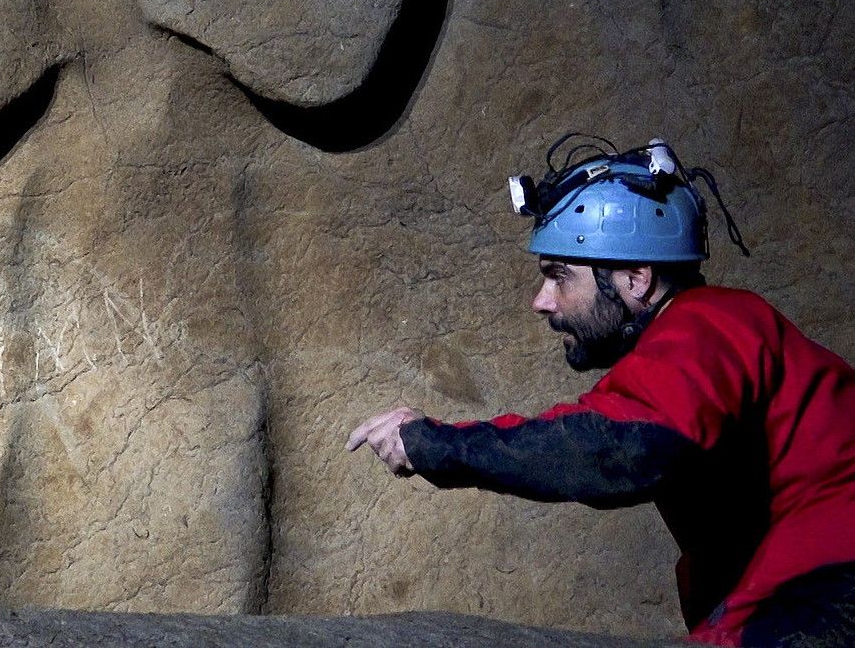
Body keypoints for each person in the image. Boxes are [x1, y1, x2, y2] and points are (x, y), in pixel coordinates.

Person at [346, 135, 855, 646]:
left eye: (558, 276)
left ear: (635, 277)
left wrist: (434, 444)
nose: (540, 301)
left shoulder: (708, 323)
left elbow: (619, 447)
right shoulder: (688, 340)